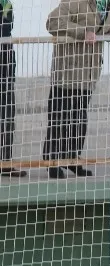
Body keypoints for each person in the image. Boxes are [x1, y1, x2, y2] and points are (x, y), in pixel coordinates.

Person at [44, 0, 110, 179]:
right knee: (59, 118)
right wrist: (83, 32)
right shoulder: (73, 1)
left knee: (79, 119)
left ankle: (72, 158)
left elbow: (107, 27)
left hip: (88, 73)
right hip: (67, 73)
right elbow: (52, 22)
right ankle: (52, 161)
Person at [0, 0, 23, 178]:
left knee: (7, 116)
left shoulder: (6, 3)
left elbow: (7, 27)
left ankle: (5, 162)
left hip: (6, 63)